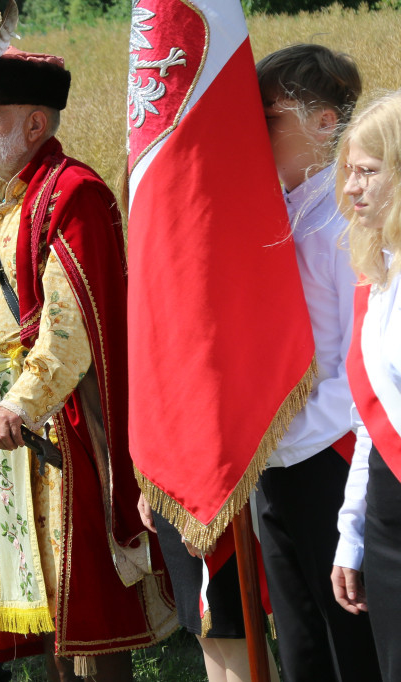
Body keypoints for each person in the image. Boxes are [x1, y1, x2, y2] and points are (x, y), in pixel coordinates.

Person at [0, 47, 176, 681]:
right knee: (40, 599)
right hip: (11, 421)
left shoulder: (74, 193)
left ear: (36, 124)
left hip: (60, 425)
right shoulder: (1, 204)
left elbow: (69, 327)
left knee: (81, 598)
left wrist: (22, 401)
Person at [251, 44, 380, 682]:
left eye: (269, 114)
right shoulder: (283, 213)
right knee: (299, 645)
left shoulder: (342, 225)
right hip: (278, 458)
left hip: (329, 456)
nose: (256, 130)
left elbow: (366, 370)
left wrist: (286, 436)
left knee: (345, 645)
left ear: (325, 122)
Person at [332, 89, 401, 680]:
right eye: (348, 171)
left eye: (368, 172)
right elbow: (369, 422)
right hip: (387, 514)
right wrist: (350, 535)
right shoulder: (374, 278)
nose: (351, 188)